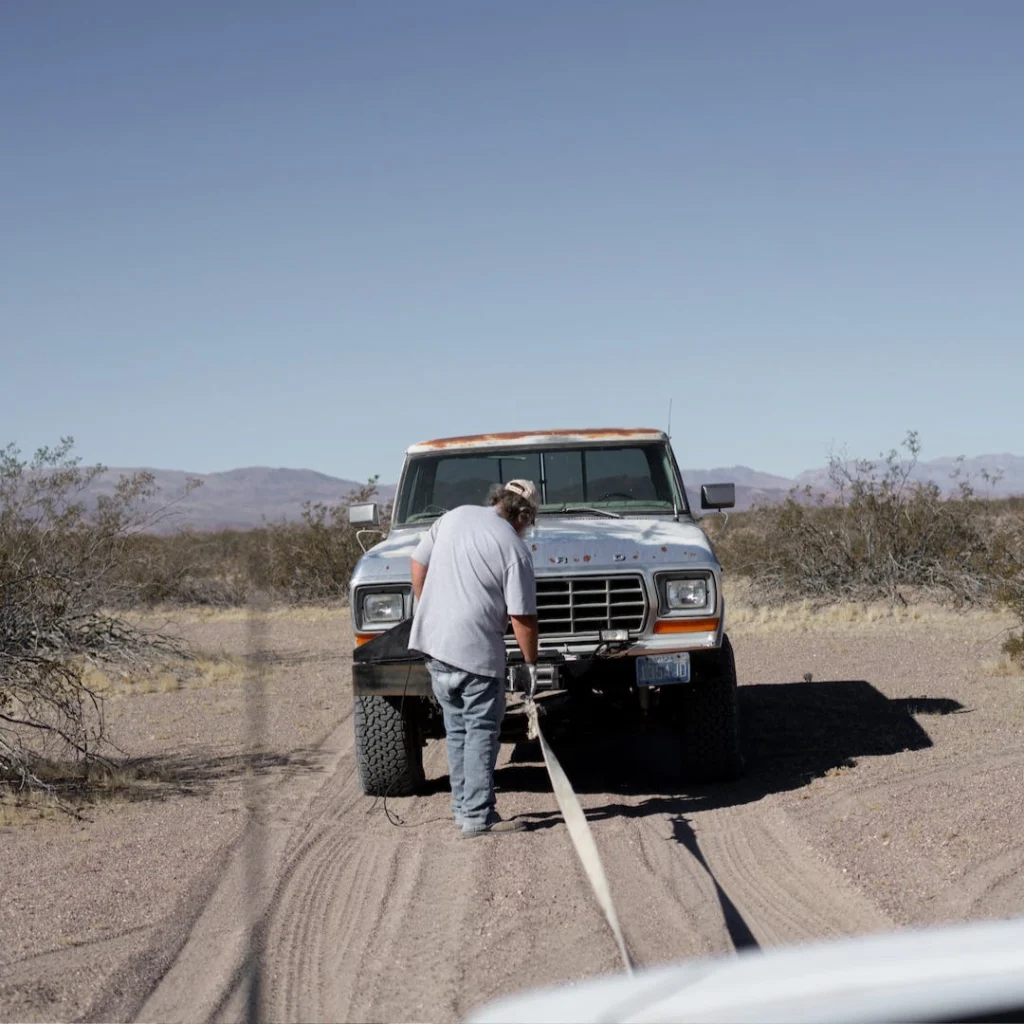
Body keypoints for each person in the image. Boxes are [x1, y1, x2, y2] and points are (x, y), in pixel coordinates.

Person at [409, 479, 540, 837]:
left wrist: (428, 609)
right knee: (481, 730)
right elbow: (522, 617)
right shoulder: (513, 548)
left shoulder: (453, 517)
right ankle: (478, 817)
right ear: (524, 515)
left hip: (435, 647)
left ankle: (463, 809)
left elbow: (417, 563)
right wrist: (531, 665)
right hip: (476, 652)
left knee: (457, 730)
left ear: (497, 500)